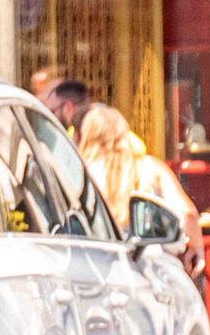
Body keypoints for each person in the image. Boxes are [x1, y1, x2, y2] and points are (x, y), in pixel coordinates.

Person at [79, 104, 199, 251]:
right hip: (145, 262)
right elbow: (188, 212)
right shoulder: (151, 167)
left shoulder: (80, 173)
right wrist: (196, 247)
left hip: (96, 258)